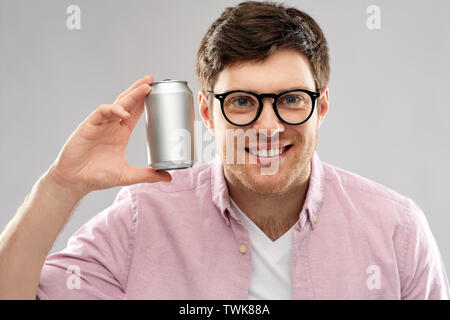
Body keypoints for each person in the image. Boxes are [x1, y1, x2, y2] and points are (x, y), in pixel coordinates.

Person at [0, 1, 449, 300]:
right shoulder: (142, 219)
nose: (268, 126)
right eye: (241, 102)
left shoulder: (397, 231)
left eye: (291, 99)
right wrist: (62, 185)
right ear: (207, 113)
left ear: (322, 106)